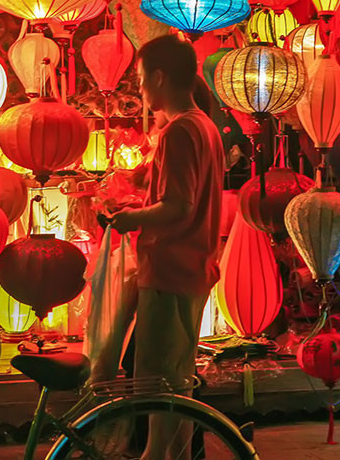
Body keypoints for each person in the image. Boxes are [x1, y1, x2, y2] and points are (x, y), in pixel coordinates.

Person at [110, 34, 224, 459]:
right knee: (176, 377)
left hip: (172, 268)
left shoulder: (180, 131)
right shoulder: (203, 126)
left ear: (159, 77)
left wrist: (130, 218)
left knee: (158, 381)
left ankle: (157, 454)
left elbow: (179, 206)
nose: (139, 89)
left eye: (141, 80)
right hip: (193, 267)